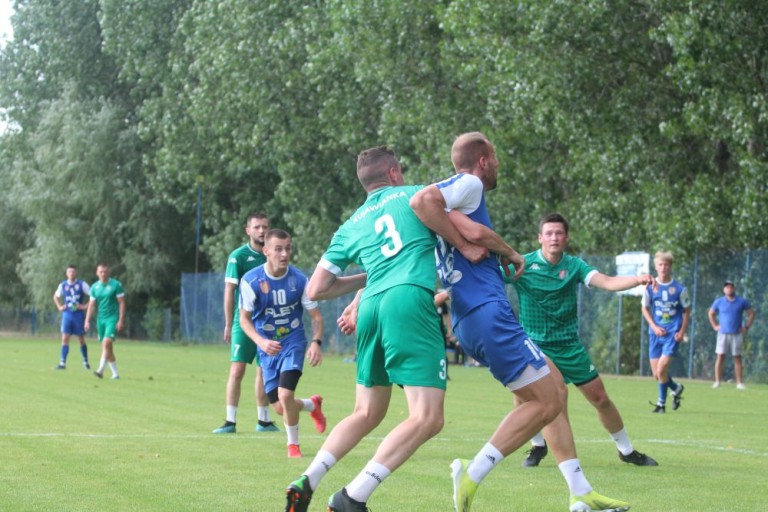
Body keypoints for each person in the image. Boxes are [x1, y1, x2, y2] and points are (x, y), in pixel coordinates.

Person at [411, 132, 630, 512]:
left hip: (471, 317)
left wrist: (488, 246)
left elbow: (472, 230)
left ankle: (580, 491)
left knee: (554, 390)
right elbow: (425, 202)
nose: (497, 165)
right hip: (487, 312)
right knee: (546, 401)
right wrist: (499, 250)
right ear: (482, 161)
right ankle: (472, 471)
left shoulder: (450, 210)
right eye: (494, 158)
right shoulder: (468, 184)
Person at [284, 145, 486, 512]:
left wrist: (370, 275)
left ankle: (307, 479)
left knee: (366, 413)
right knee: (427, 417)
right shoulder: (416, 196)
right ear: (393, 173)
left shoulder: (350, 225)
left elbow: (315, 290)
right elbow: (465, 230)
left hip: (371, 306)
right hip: (407, 300)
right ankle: (353, 495)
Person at [505, 213, 657, 468]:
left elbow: (607, 282)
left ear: (566, 237)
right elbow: (489, 279)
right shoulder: (523, 264)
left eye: (559, 233)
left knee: (600, 398)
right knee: (530, 399)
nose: (554, 238)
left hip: (568, 346)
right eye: (549, 233)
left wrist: (637, 280)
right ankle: (537, 446)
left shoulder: (574, 266)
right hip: (535, 348)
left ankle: (626, 450)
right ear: (540, 238)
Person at [238, 229, 326, 458]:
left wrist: (316, 342)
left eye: (288, 248)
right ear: (266, 251)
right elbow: (244, 320)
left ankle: (293, 446)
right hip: (267, 349)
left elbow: (316, 317)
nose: (284, 253)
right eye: (278, 249)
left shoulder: (299, 280)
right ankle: (311, 405)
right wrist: (261, 341)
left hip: (292, 343)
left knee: (286, 396)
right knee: (279, 407)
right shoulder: (251, 281)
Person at [213, 213, 278, 434]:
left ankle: (264, 421)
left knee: (264, 370)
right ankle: (230, 421)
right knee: (237, 369)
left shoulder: (273, 254)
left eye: (265, 227)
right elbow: (229, 290)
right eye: (257, 227)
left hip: (268, 323)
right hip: (244, 322)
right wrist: (227, 323)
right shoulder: (238, 257)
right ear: (248, 230)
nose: (262, 231)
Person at [641, 251, 691, 413]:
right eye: (660, 264)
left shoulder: (679, 289)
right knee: (657, 374)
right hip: (655, 334)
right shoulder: (650, 287)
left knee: (662, 370)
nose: (663, 268)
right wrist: (654, 327)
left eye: (666, 265)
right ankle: (676, 388)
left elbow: (686, 311)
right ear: (656, 267)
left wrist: (682, 331)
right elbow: (644, 308)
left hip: (672, 334)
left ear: (670, 267)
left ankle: (661, 404)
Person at [708, 280, 755, 389]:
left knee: (737, 357)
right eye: (727, 287)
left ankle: (739, 383)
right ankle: (717, 381)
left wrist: (746, 327)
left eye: (731, 287)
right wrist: (715, 326)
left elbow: (751, 313)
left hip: (736, 334)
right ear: (724, 289)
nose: (729, 289)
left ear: (734, 288)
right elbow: (711, 313)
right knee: (720, 356)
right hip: (722, 334)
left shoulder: (741, 301)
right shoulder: (719, 301)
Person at [84, 264, 125, 379]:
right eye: (101, 272)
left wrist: (121, 320)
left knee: (106, 343)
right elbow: (91, 305)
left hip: (112, 318)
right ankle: (116, 374)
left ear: (109, 273)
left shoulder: (116, 285)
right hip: (100, 319)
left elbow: (122, 302)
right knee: (108, 348)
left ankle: (100, 370)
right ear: (97, 273)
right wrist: (86, 321)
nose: (103, 274)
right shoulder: (94, 287)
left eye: (105, 271)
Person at [52, 265, 91, 370]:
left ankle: (85, 361)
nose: (71, 274)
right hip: (67, 315)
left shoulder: (82, 284)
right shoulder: (63, 285)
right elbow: (55, 296)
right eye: (69, 272)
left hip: (78, 315)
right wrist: (60, 306)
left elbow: (93, 296)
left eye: (73, 272)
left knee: (80, 338)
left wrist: (84, 306)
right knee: (65, 337)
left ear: (76, 273)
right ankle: (62, 363)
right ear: (66, 273)